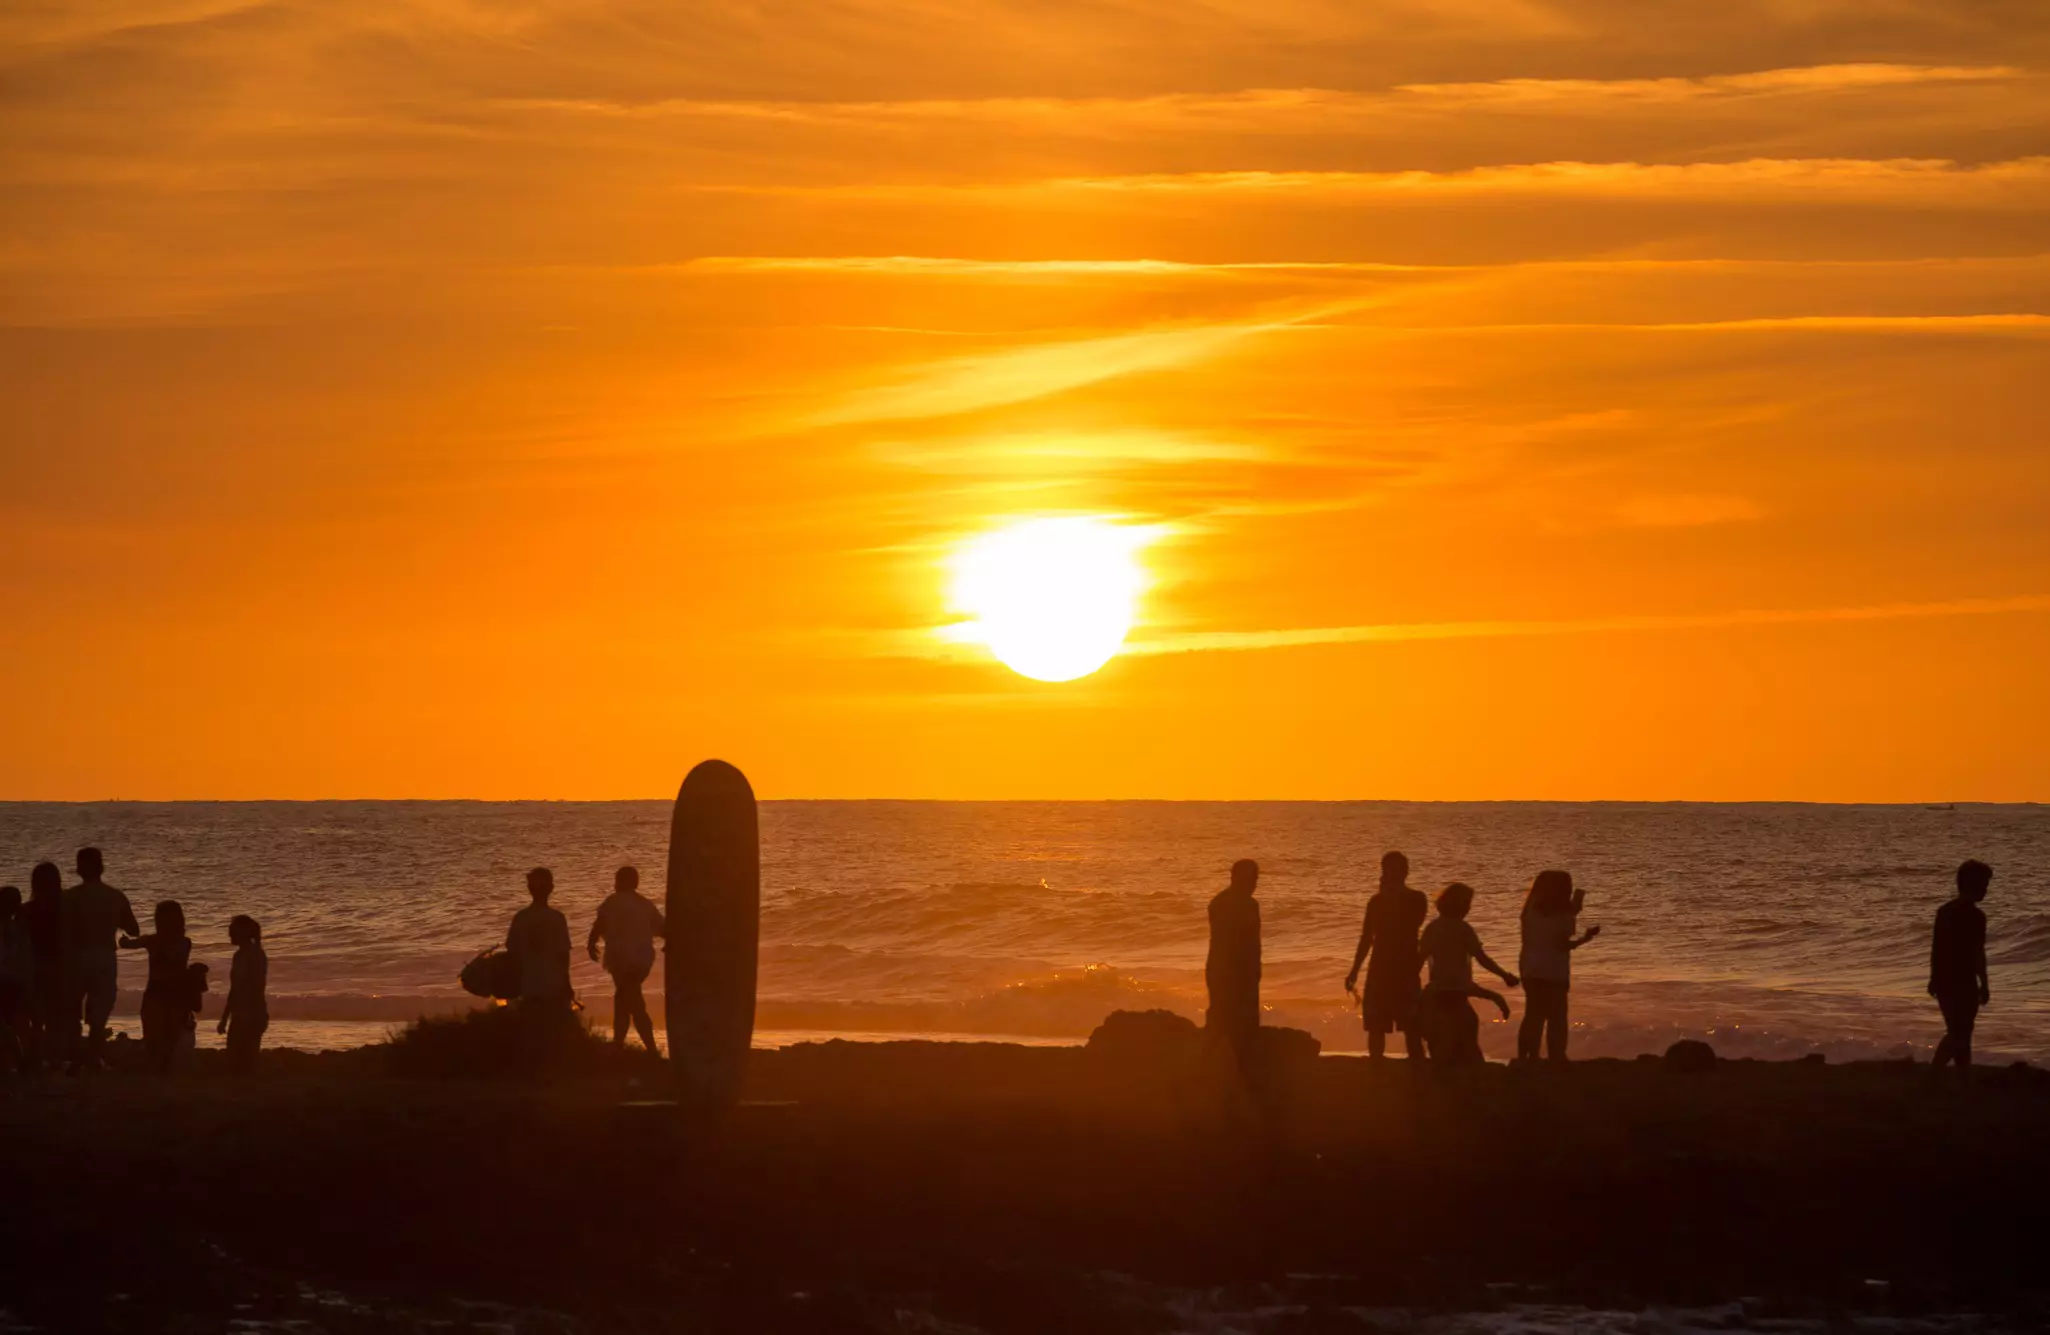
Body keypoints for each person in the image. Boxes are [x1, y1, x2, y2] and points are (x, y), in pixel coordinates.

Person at [1417, 882, 1519, 1067]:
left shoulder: (1432, 928)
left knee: (1449, 1042)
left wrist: (1412, 988)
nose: (1468, 908)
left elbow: (1419, 959)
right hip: (1454, 995)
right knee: (1462, 1040)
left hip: (1438, 993)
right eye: (1467, 903)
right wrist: (1504, 975)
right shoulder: (1462, 928)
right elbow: (1482, 959)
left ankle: (1442, 1077)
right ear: (1459, 905)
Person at [1344, 851, 1430, 1062]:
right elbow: (1366, 938)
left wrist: (1388, 898)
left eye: (1393, 870)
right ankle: (1378, 1070)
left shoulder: (1415, 899)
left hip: (1403, 968)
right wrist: (1354, 970)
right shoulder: (1378, 901)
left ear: (1404, 872)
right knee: (1378, 1027)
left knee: (1411, 1027)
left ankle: (1413, 1070)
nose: (1390, 874)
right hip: (1385, 967)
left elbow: (1411, 925)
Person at [63, 847, 139, 1071]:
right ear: (102, 867)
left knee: (72, 1008)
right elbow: (133, 928)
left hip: (76, 957)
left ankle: (76, 1058)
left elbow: (61, 932)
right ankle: (93, 1057)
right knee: (100, 1009)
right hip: (105, 956)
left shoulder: (70, 897)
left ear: (78, 870)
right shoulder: (115, 896)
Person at [1516, 870, 1601, 1062]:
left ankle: (1527, 1057)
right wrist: (1585, 938)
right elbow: (1563, 944)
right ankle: (1557, 1056)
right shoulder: (1563, 916)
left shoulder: (1529, 911)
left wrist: (1576, 903)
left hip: (1530, 969)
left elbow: (1568, 911)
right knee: (1557, 1018)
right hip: (1554, 971)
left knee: (1532, 1017)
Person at [1929, 859, 1992, 1083]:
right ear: (1972, 885)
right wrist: (1984, 984)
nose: (1986, 890)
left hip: (1950, 981)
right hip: (1960, 982)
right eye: (1984, 885)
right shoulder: (1975, 917)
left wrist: (1933, 978)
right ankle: (1942, 1072)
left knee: (1960, 1031)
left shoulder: (1945, 912)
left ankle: (1955, 1074)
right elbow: (1978, 953)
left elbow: (1937, 949)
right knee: (1960, 1031)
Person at [587, 866, 664, 1051]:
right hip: (641, 963)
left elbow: (598, 926)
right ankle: (622, 1046)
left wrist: (591, 945)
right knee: (626, 999)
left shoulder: (611, 903)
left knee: (632, 1003)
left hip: (620, 962)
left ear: (619, 882)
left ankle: (645, 1048)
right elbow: (663, 929)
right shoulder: (645, 904)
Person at [1205, 859, 1263, 1084]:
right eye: (1252, 879)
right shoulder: (1241, 905)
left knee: (1230, 1022)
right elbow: (1242, 943)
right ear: (1237, 878)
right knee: (1231, 1023)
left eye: (1255, 879)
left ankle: (1228, 1072)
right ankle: (1229, 1074)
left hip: (1229, 970)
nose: (1254, 884)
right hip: (1230, 972)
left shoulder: (1219, 903)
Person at [120, 899, 192, 1075]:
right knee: (170, 1032)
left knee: (154, 1031)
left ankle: (158, 1066)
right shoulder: (185, 942)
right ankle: (165, 1067)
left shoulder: (153, 941)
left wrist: (122, 935)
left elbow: (126, 944)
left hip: (157, 991)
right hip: (176, 992)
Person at [507, 868, 573, 1007]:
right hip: (553, 985)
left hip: (527, 986)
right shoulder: (557, 918)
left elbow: (512, 954)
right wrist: (567, 985)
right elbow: (563, 956)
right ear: (551, 888)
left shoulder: (520, 918)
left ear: (529, 888)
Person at [23, 863, 65, 1071]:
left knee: (37, 1016)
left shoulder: (26, 910)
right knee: (55, 1016)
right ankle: (55, 1058)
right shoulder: (66, 908)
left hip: (34, 966)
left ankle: (37, 1058)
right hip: (60, 966)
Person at [218, 915, 268, 1074]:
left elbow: (256, 988)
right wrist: (225, 1018)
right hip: (241, 1014)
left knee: (246, 1062)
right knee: (236, 1061)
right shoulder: (239, 955)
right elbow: (235, 989)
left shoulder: (256, 955)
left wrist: (256, 1015)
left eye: (232, 931)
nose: (229, 934)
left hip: (252, 1014)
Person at [0, 887, 31, 1075]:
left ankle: (18, 1060)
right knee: (9, 1024)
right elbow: (26, 959)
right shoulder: (19, 929)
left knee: (5, 1024)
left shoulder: (14, 930)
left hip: (7, 980)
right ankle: (18, 1061)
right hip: (15, 981)